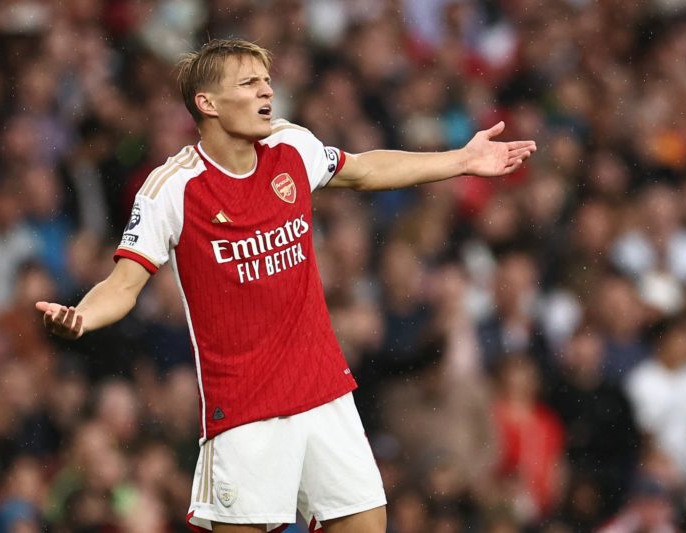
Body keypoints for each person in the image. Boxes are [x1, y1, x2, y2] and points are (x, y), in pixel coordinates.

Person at [35, 38, 537, 533]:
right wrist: (82, 317)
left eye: (267, 81)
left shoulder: (290, 145)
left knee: (365, 522)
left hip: (323, 389)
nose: (266, 92)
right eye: (249, 83)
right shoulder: (173, 188)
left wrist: (462, 160)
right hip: (246, 407)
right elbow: (123, 286)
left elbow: (363, 170)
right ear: (207, 103)